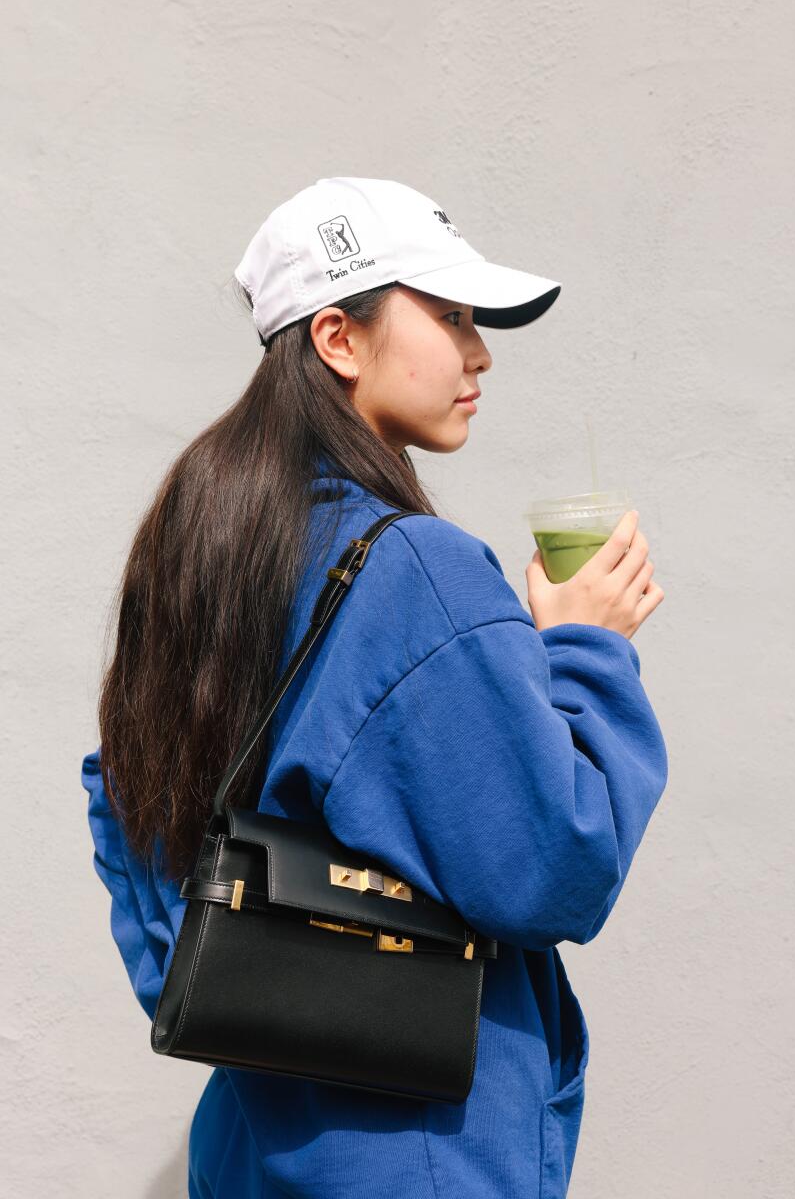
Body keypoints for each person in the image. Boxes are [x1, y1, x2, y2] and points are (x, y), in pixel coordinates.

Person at [81, 176, 668, 1199]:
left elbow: (135, 818)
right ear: (337, 339)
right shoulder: (415, 568)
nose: (479, 351)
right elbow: (556, 869)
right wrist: (584, 649)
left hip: (254, 1143)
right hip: (416, 1152)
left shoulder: (198, 543)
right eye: (446, 316)